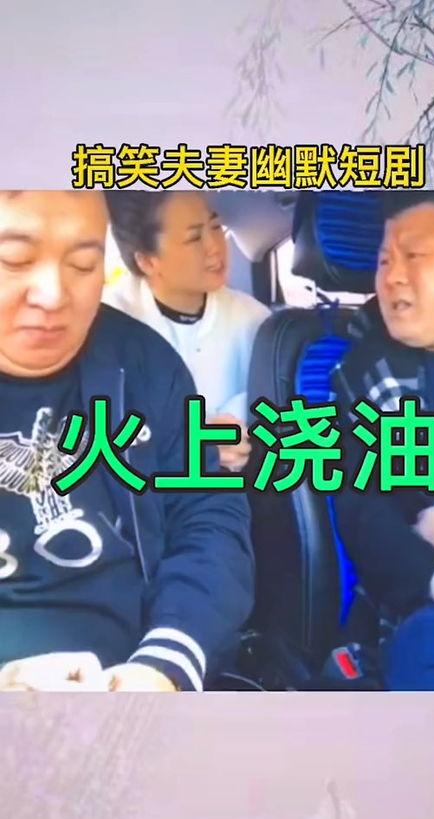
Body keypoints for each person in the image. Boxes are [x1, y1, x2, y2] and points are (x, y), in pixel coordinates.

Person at [0, 190, 254, 691]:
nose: (53, 295)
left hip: (132, 680)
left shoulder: (146, 365)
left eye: (82, 264)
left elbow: (209, 517)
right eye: (16, 259)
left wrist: (166, 665)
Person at [332, 190, 434, 690]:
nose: (393, 276)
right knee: (429, 649)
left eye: (415, 255)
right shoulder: (367, 375)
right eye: (385, 260)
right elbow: (365, 517)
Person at [103, 191, 270, 472]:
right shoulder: (108, 324)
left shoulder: (255, 321)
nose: (214, 246)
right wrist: (190, 445)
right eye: (194, 238)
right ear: (147, 261)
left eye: (216, 227)